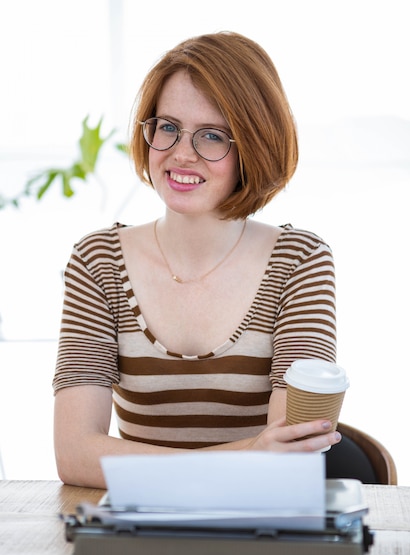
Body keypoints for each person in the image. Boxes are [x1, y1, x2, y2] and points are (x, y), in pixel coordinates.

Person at [53, 31, 341, 488]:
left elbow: (289, 452)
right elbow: (74, 455)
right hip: (138, 532)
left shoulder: (300, 261)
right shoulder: (98, 260)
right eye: (167, 127)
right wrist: (247, 454)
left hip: (258, 530)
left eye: (212, 135)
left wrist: (128, 465)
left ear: (254, 145)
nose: (181, 154)